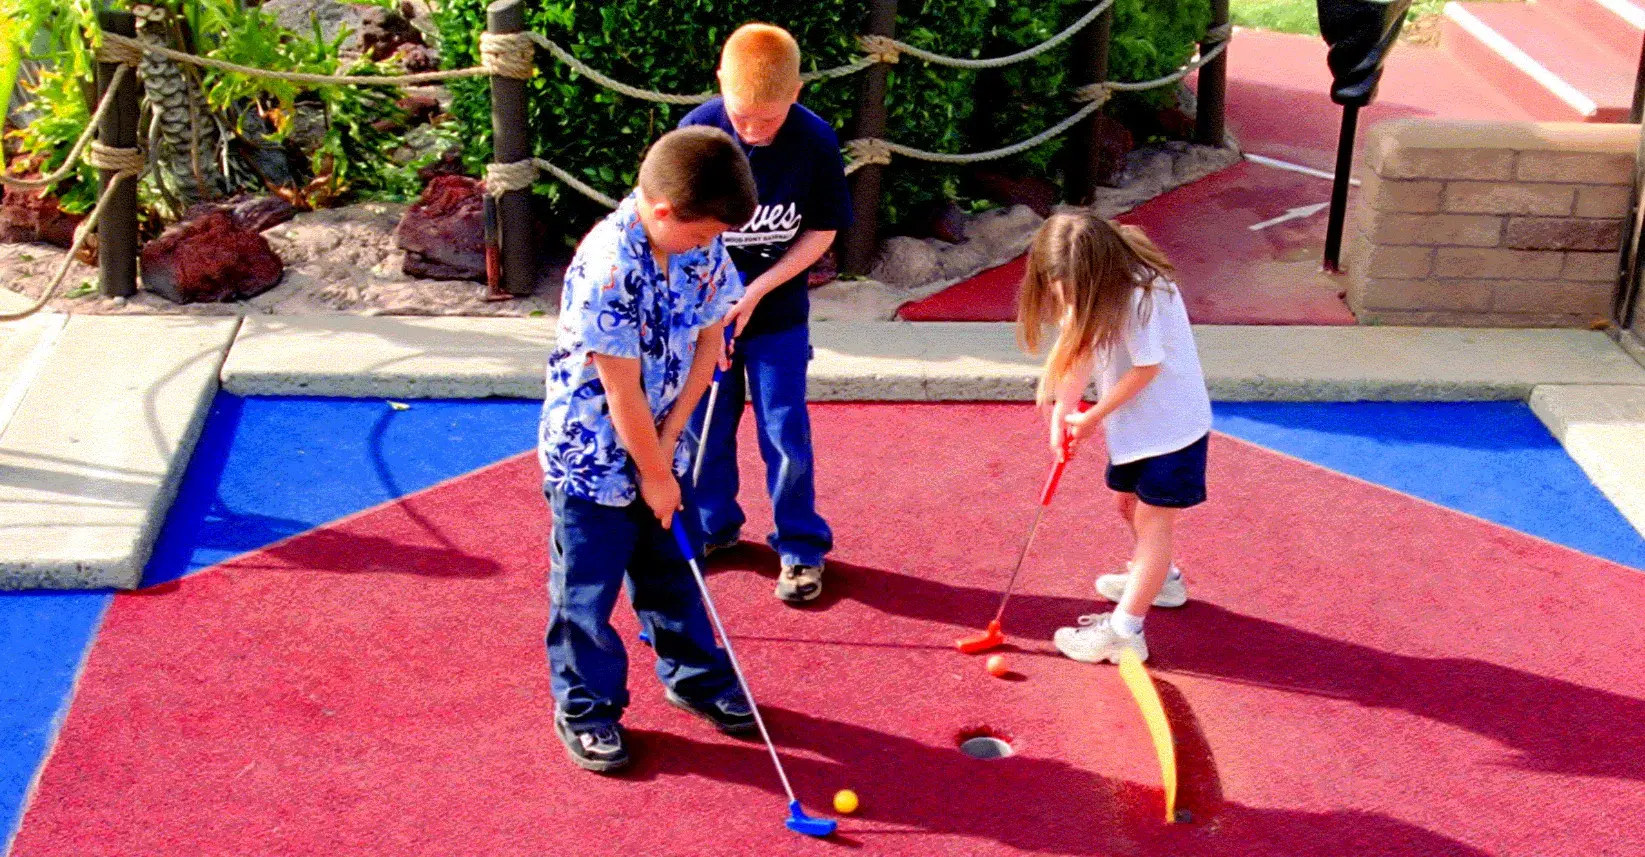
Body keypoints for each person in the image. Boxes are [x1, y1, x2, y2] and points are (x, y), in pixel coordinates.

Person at [539, 126, 760, 773]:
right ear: (663, 211)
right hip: (590, 463)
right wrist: (652, 471)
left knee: (672, 571)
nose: (710, 246)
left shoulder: (702, 248)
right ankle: (586, 707)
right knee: (586, 594)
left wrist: (665, 458)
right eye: (700, 235)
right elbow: (621, 391)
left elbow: (709, 344)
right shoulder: (606, 267)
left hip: (658, 445)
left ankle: (693, 675)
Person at [678, 23, 852, 604]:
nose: (751, 133)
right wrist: (717, 299)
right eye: (742, 116)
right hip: (707, 314)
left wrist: (756, 292)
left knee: (784, 431)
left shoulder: (815, 141)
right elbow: (676, 229)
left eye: (767, 121)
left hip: (776, 314)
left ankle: (800, 547)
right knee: (704, 424)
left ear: (796, 93)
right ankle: (713, 528)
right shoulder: (697, 131)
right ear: (720, 82)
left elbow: (822, 230)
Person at [1016, 212, 1212, 664]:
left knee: (1153, 521)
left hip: (1172, 428)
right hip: (1136, 427)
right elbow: (1079, 348)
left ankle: (1126, 632)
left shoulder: (1143, 294)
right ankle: (1161, 579)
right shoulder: (1095, 289)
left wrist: (1092, 416)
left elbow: (1147, 368)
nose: (1071, 302)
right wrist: (1063, 412)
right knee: (1126, 504)